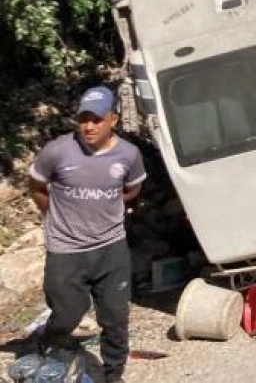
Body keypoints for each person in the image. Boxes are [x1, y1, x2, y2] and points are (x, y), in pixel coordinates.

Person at [26, 86, 146, 383]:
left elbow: (132, 189)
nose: (89, 126)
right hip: (66, 248)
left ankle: (113, 375)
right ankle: (49, 340)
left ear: (113, 120)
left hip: (111, 247)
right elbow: (36, 186)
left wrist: (106, 206)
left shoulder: (129, 154)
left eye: (96, 119)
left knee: (115, 318)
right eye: (83, 119)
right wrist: (51, 215)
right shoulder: (58, 150)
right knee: (67, 313)